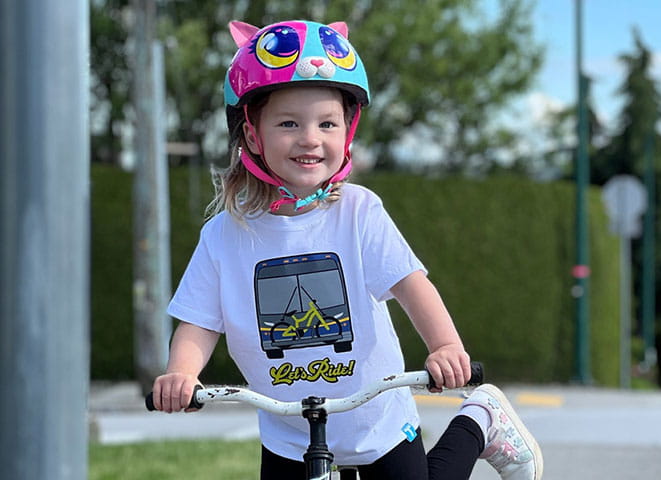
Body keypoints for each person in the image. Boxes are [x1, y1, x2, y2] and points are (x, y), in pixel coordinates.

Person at [150, 20, 542, 480]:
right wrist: (181, 372)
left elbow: (412, 286)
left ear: (347, 132)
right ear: (253, 135)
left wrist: (445, 347)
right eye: (288, 123)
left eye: (327, 123)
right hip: (289, 435)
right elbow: (199, 320)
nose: (310, 137)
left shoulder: (358, 213)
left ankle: (480, 419)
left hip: (377, 418)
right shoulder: (224, 236)